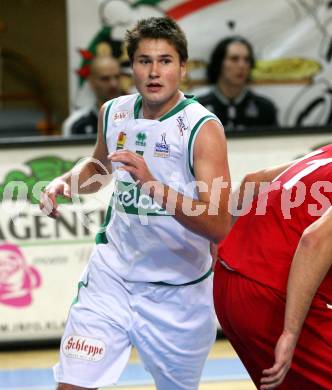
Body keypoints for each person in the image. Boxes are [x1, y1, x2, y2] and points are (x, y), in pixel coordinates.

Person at [40, 16, 232, 390]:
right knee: (72, 385)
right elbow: (98, 167)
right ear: (132, 67)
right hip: (112, 278)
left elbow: (219, 224)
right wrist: (66, 181)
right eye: (144, 61)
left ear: (182, 68)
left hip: (177, 292)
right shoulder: (114, 112)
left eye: (165, 61)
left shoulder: (201, 129)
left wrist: (154, 185)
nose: (154, 71)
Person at [214, 144, 332, 389]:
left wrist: (221, 251)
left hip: (228, 281)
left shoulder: (326, 155)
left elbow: (253, 182)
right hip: (269, 294)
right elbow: (314, 241)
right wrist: (289, 333)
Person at [198, 36, 278, 132]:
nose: (242, 65)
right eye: (234, 59)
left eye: (247, 60)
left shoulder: (265, 109)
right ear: (219, 64)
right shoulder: (199, 108)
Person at [62, 55, 122, 136]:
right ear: (92, 82)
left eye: (117, 77)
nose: (113, 84)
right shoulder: (77, 125)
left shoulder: (138, 117)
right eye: (105, 79)